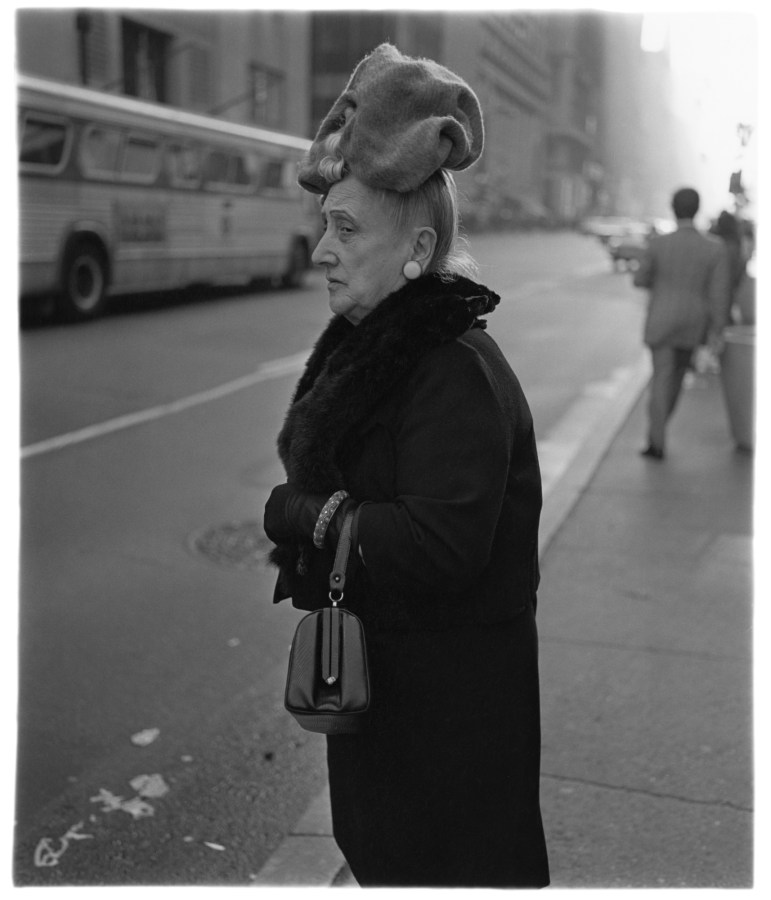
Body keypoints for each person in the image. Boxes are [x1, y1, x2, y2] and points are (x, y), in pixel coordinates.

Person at [262, 43, 549, 888]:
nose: (321, 249)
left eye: (346, 228)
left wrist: (305, 513)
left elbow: (438, 544)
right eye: (326, 225)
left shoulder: (449, 364)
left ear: (418, 248)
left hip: (447, 730)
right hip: (393, 706)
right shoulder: (395, 344)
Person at [632, 187, 729, 460]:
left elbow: (639, 279)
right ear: (696, 209)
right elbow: (719, 295)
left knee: (662, 379)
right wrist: (717, 330)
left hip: (662, 321)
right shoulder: (714, 248)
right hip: (693, 325)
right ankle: (659, 431)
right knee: (674, 380)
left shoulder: (659, 244)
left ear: (673, 208)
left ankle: (657, 441)